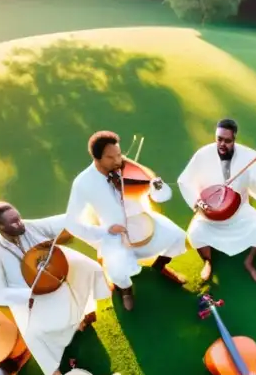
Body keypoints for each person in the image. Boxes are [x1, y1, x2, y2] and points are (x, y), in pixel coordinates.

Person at [0, 201, 110, 375]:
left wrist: (86, 213)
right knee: (33, 334)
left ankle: (81, 319)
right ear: (0, 227)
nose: (20, 224)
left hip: (53, 270)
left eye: (19, 218)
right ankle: (56, 374)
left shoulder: (28, 227)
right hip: (30, 296)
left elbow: (60, 222)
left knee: (89, 267)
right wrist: (29, 294)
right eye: (13, 222)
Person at [64, 131, 188, 311]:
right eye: (110, 157)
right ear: (96, 158)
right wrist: (102, 235)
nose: (118, 162)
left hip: (142, 221)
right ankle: (126, 290)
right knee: (117, 270)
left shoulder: (130, 170)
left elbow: (162, 196)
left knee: (177, 236)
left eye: (119, 155)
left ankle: (160, 266)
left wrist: (157, 185)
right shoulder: (83, 183)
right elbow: (72, 223)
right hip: (113, 235)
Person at [177, 118, 256, 282]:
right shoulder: (203, 154)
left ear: (234, 139)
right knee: (195, 233)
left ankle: (249, 262)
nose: (222, 144)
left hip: (239, 210)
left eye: (227, 141)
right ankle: (208, 262)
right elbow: (185, 180)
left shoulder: (249, 157)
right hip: (210, 212)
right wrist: (198, 203)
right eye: (219, 139)